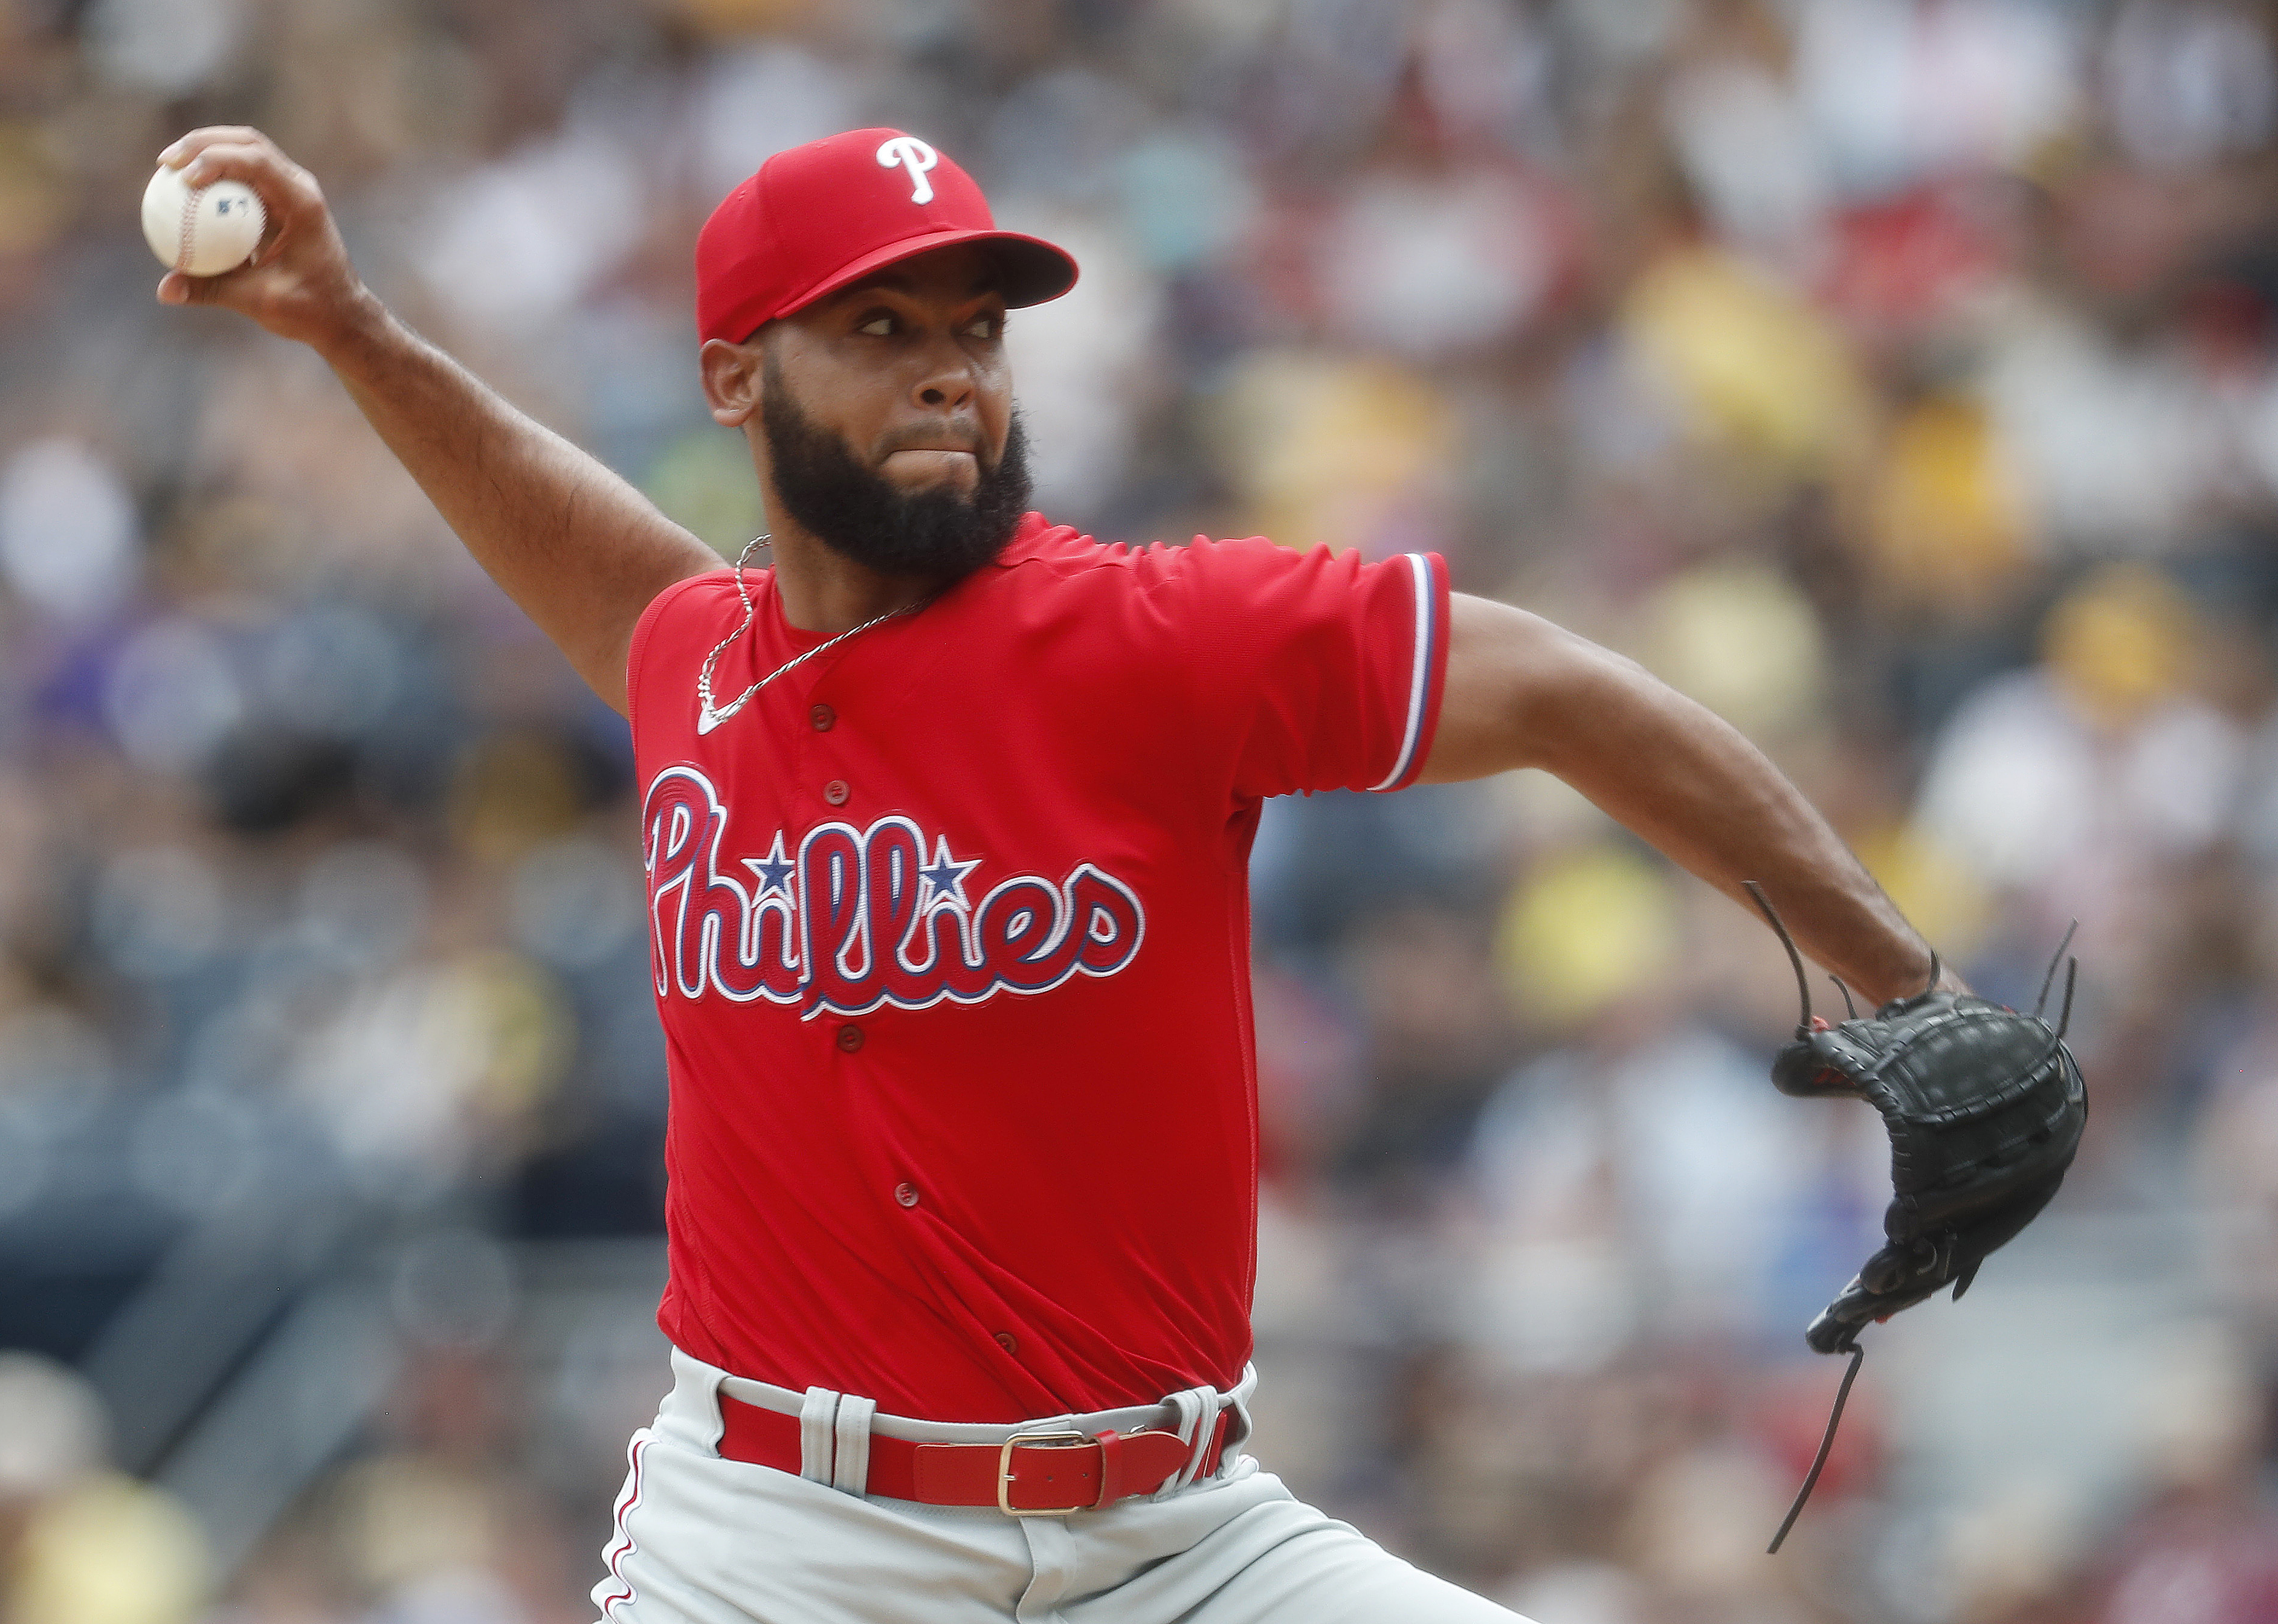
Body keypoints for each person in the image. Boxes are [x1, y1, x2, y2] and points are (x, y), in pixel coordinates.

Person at [155, 123, 1959, 1623]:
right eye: (877, 325)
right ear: (732, 376)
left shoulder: (1155, 641)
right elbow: (561, 531)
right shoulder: (698, 659)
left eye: (979, 327)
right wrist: (351, 328)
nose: (952, 362)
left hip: (1181, 1539)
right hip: (788, 1540)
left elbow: (1571, 694)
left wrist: (1907, 989)